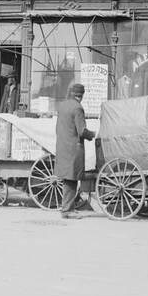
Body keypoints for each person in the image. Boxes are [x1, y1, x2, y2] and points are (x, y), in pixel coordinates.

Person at [55, 83, 95, 219]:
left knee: (68, 178)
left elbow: (58, 128)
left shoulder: (62, 106)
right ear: (81, 95)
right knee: (71, 179)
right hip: (73, 148)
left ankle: (68, 207)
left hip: (62, 146)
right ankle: (67, 210)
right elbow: (82, 130)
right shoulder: (78, 108)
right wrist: (92, 135)